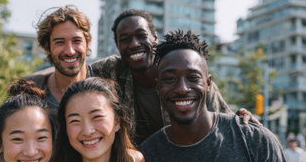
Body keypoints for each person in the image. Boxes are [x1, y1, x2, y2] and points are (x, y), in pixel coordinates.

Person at [129, 30, 297, 162]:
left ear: (208, 84)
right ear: (158, 87)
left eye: (193, 78)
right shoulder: (149, 156)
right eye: (170, 79)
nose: (182, 88)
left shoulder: (256, 142)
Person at [91, 9, 258, 145]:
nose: (134, 44)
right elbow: (76, 76)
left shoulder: (185, 76)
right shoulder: (111, 70)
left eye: (141, 36)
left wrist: (243, 120)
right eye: (125, 39)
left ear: (155, 38)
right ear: (118, 46)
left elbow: (224, 119)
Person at [26, 5, 95, 120]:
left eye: (76, 41)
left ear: (87, 43)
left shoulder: (109, 81)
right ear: (47, 47)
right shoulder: (29, 94)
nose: (70, 51)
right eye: (60, 42)